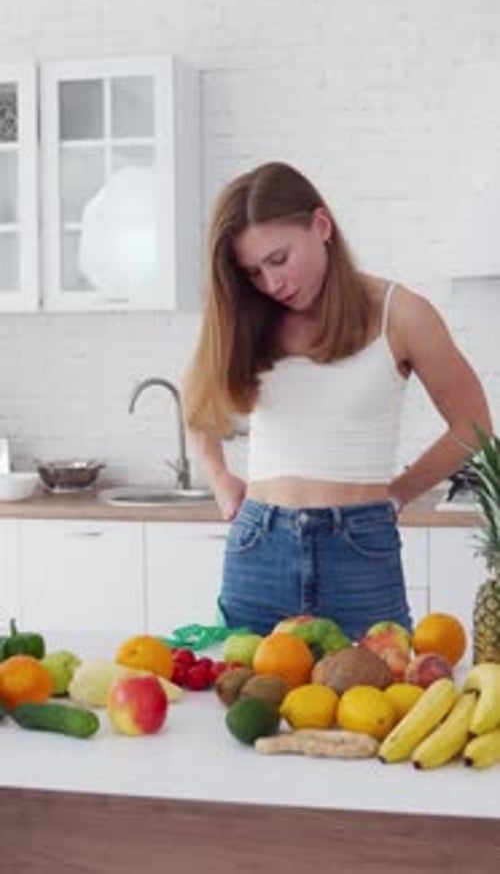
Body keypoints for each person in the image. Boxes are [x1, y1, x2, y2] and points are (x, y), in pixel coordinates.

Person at [182, 161, 492, 640]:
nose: (271, 283)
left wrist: (400, 491)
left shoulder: (402, 313)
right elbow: (197, 406)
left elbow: (473, 425)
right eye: (254, 272)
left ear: (321, 226)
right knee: (251, 707)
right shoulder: (246, 317)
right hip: (257, 550)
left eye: (279, 259)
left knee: (376, 709)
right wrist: (220, 477)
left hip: (360, 553)